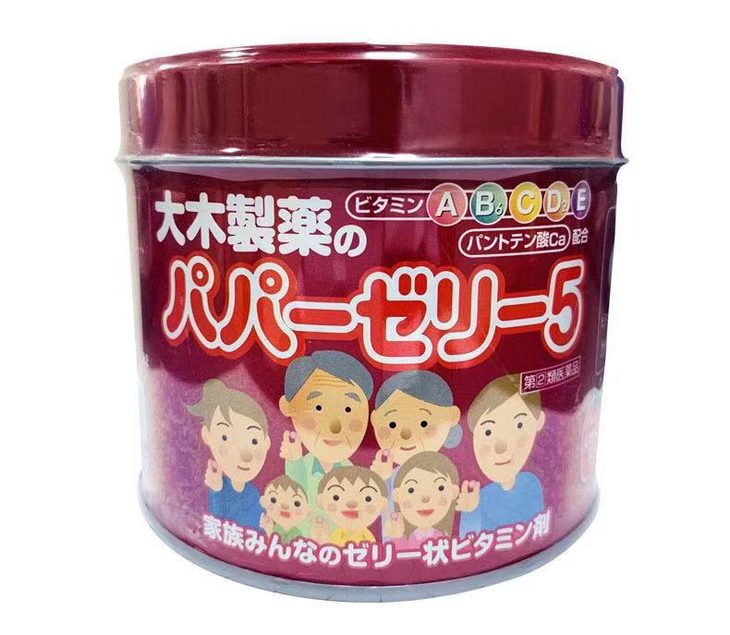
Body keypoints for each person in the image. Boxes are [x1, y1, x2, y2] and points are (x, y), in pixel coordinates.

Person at [278, 350, 373, 536]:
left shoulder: (353, 472)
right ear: (288, 407)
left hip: (346, 543)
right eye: (318, 407)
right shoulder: (298, 465)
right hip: (299, 542)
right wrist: (294, 461)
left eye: (348, 409)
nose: (335, 427)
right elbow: (294, 495)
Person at [369, 371, 461, 531]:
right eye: (392, 424)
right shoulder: (391, 477)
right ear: (375, 419)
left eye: (424, 423)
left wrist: (468, 509)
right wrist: (379, 481)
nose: (406, 435)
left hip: (447, 543)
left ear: (451, 416)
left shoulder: (450, 471)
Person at [457, 374, 545, 534]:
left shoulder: (530, 482)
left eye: (519, 425)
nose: (501, 447)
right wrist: (470, 511)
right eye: (488, 432)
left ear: (538, 422)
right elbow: (468, 539)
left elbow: (536, 522)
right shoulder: (481, 496)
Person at [188, 379, 270, 529]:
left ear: (266, 442)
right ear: (207, 435)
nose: (245, 455)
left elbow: (259, 527)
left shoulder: (253, 494)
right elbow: (218, 518)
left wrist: (268, 528)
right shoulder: (219, 487)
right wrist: (216, 489)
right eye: (225, 437)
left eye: (254, 441)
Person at [383, 451, 460, 550]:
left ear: (454, 492)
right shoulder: (409, 537)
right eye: (411, 490)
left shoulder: (442, 538)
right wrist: (397, 537)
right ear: (397, 495)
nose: (425, 498)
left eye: (440, 488)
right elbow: (401, 554)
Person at [315, 466, 387, 546]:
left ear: (382, 504)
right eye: (336, 497)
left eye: (368, 498)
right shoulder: (333, 537)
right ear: (321, 501)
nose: (351, 503)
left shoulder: (371, 538)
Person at [259, 475, 310, 543]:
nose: (285, 506)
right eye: (273, 500)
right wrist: (268, 529)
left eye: (297, 503)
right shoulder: (274, 528)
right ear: (263, 501)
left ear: (307, 510)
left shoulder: (297, 533)